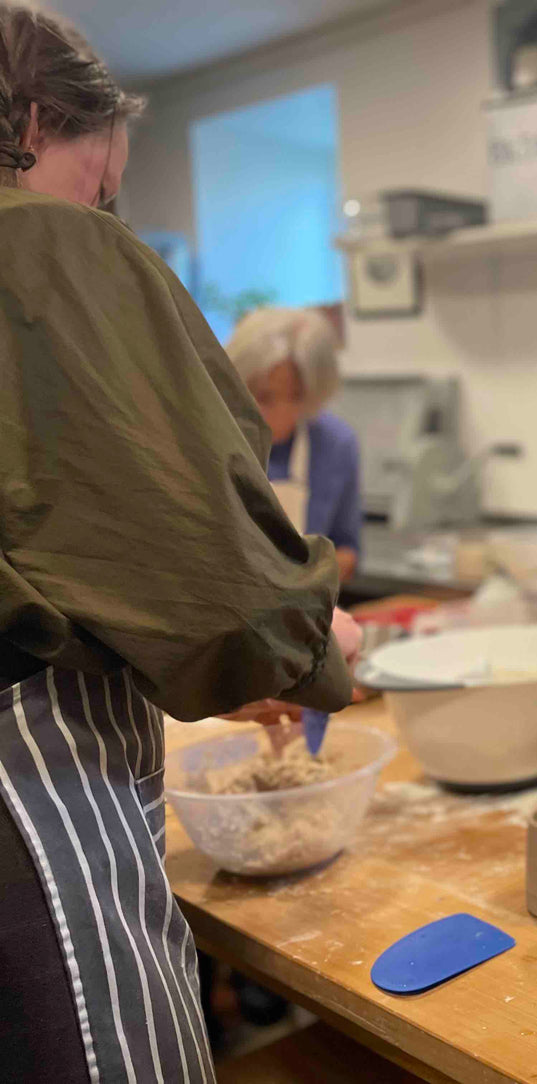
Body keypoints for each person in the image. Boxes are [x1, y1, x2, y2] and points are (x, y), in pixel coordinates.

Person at [0, 9, 359, 1080]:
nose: (105, 205)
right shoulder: (43, 243)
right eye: (100, 178)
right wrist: (295, 647)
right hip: (30, 790)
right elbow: (214, 567)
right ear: (32, 118)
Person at [227, 307, 364, 582]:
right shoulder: (215, 437)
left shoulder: (336, 446)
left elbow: (348, 549)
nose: (278, 414)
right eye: (264, 397)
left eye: (295, 398)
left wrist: (309, 574)